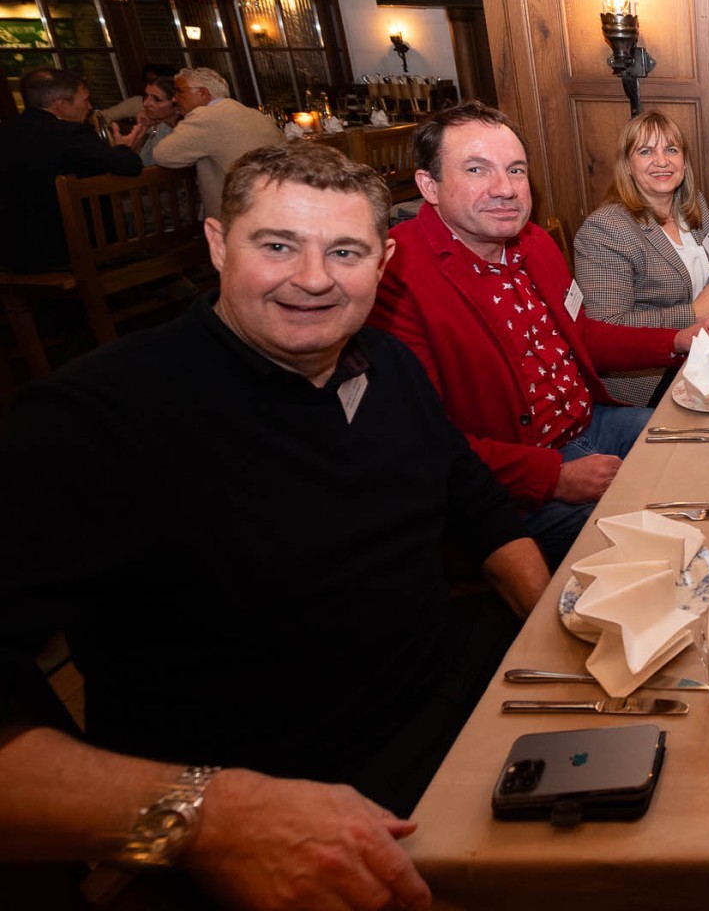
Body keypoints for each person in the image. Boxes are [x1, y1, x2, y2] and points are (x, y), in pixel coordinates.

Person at [0, 143, 549, 910]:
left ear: (384, 262)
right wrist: (210, 819)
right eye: (278, 246)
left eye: (345, 251)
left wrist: (549, 627)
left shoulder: (384, 364)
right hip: (277, 798)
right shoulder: (92, 420)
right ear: (218, 243)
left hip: (456, 692)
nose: (314, 279)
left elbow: (475, 501)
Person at [370, 102, 709, 566]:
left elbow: (584, 336)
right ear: (429, 185)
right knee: (673, 539)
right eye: (477, 169)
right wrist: (552, 477)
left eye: (515, 170)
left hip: (591, 422)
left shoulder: (534, 243)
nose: (505, 189)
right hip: (511, 483)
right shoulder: (397, 274)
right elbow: (424, 441)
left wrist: (677, 340)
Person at [572, 111, 709, 405]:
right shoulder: (607, 229)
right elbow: (606, 327)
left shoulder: (690, 207)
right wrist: (693, 312)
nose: (662, 161)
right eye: (646, 151)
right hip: (651, 380)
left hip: (706, 357)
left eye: (671, 149)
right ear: (627, 166)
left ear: (684, 161)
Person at [0, 67, 144, 273]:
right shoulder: (71, 134)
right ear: (61, 104)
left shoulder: (5, 132)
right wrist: (124, 148)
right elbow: (130, 166)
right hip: (73, 250)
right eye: (85, 100)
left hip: (14, 253)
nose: (89, 106)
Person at [151, 66, 282, 219]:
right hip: (276, 204)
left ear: (203, 93)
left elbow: (163, 154)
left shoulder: (204, 116)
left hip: (239, 215)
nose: (174, 99)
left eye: (179, 91)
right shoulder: (254, 113)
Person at [98, 61, 179, 128]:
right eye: (146, 95)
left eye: (157, 99)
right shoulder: (136, 103)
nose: (145, 103)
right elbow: (100, 116)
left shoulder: (182, 127)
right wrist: (138, 128)